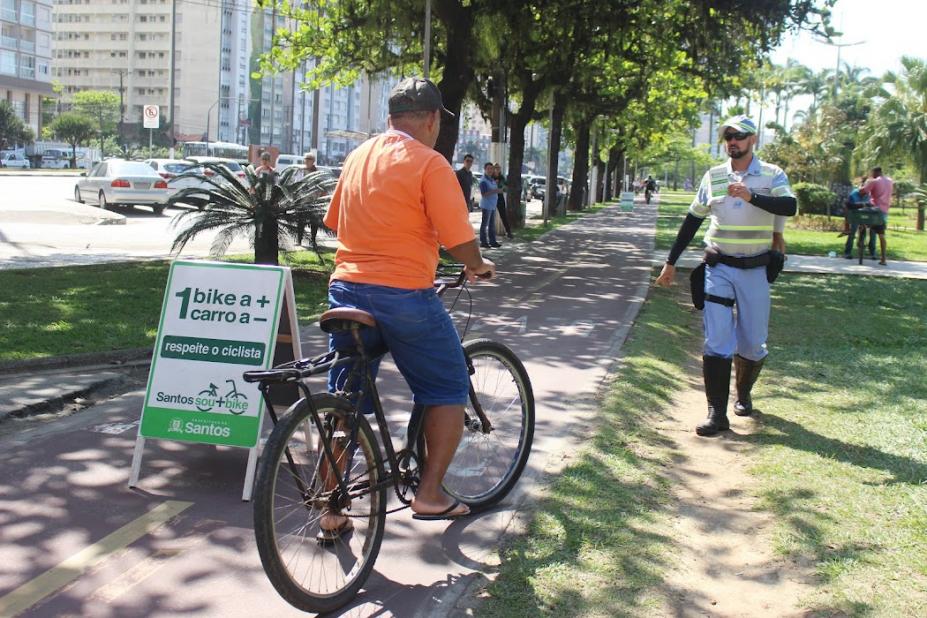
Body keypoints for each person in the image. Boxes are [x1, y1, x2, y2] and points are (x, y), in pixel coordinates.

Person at [322, 77, 495, 534]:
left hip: (345, 290)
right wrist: (478, 265)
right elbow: (458, 240)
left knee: (346, 400)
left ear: (391, 119)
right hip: (402, 297)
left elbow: (335, 220)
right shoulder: (430, 163)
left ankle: (330, 508)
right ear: (433, 119)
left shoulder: (357, 157)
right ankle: (431, 494)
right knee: (447, 385)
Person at [655, 115, 796, 437]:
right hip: (718, 267)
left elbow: (789, 206)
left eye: (739, 136)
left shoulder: (772, 174)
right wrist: (671, 261)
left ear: (752, 139)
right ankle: (717, 413)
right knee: (717, 339)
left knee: (753, 343)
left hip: (756, 270)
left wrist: (751, 197)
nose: (733, 140)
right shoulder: (714, 176)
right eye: (728, 136)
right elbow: (692, 220)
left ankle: (743, 393)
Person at [859, 166, 893, 265]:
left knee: (861, 216)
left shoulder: (874, 181)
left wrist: (864, 184)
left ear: (875, 172)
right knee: (881, 235)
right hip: (884, 211)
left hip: (874, 210)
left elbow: (862, 191)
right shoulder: (890, 181)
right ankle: (883, 259)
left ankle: (861, 236)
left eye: (872, 173)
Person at [842, 176, 872, 259]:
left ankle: (866, 249)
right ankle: (847, 252)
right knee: (852, 232)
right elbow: (848, 205)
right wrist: (862, 204)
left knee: (867, 230)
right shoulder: (854, 193)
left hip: (864, 214)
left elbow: (871, 205)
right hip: (854, 214)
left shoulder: (869, 195)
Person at [478, 162, 503, 248]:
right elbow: (484, 194)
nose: (490, 170)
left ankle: (492, 241)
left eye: (491, 169)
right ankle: (483, 242)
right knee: (485, 224)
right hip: (486, 206)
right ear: (485, 169)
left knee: (492, 225)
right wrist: (496, 191)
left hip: (492, 205)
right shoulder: (483, 181)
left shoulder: (491, 179)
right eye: (488, 169)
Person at [493, 163, 515, 239]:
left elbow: (506, 187)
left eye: (498, 168)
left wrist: (503, 189)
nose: (497, 169)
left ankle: (508, 232)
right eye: (495, 168)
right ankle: (490, 232)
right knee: (490, 216)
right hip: (491, 197)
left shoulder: (502, 177)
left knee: (503, 215)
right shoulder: (490, 177)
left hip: (500, 197)